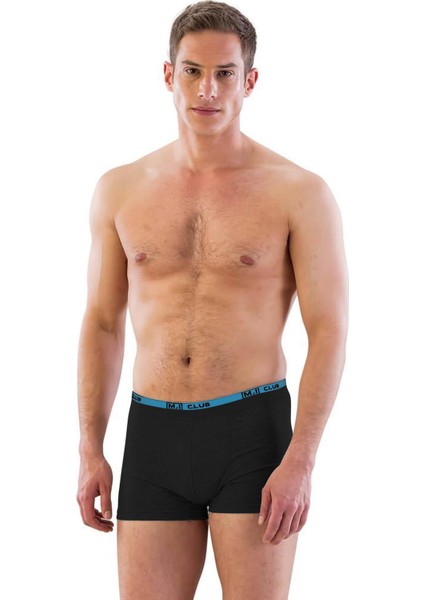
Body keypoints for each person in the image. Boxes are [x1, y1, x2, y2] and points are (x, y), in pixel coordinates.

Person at [76, 1, 349, 598]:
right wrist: (91, 447)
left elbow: (328, 329)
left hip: (252, 433)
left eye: (225, 73)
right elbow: (101, 322)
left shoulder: (299, 193)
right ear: (168, 75)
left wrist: (301, 460)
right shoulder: (120, 189)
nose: (207, 89)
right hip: (152, 430)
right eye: (193, 71)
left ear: (249, 81)